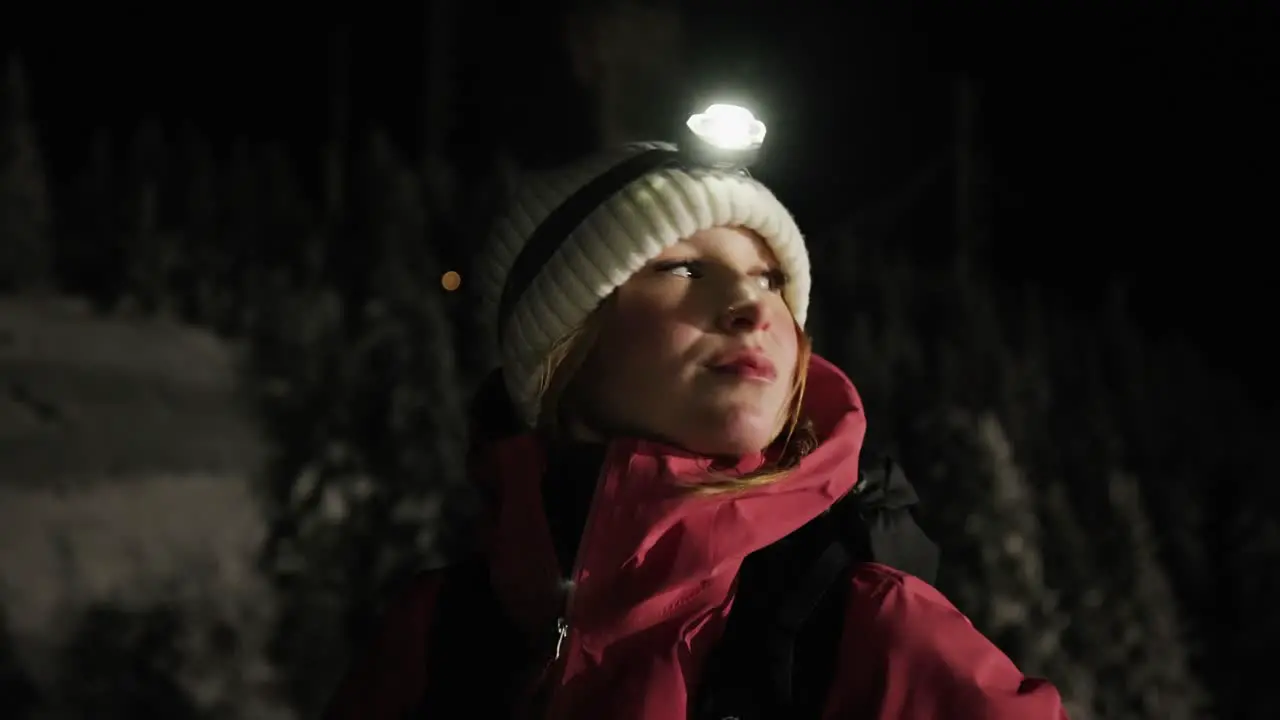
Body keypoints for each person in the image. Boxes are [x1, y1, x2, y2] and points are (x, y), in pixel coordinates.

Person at [323, 141, 1070, 719]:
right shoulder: (440, 636)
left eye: (770, 278)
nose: (752, 305)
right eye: (682, 269)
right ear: (563, 353)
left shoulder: (868, 631)